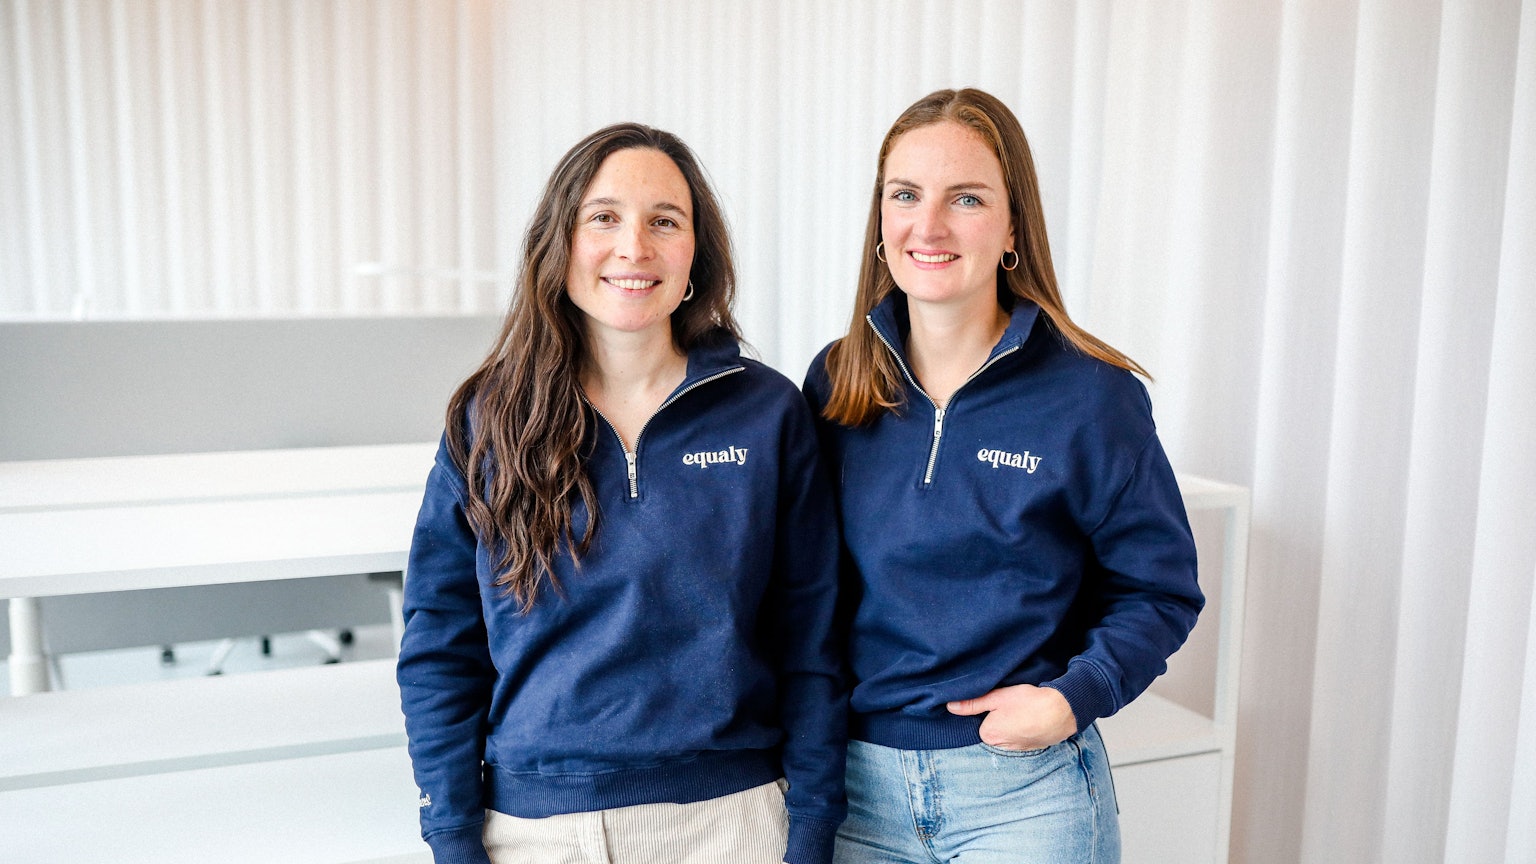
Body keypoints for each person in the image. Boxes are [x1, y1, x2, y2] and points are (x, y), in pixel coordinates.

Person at [398, 122, 845, 864]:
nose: (633, 247)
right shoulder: (490, 418)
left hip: (731, 822)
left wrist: (813, 827)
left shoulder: (766, 413)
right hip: (538, 831)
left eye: (663, 221)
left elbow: (813, 636)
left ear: (696, 251)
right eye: (603, 217)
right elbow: (441, 645)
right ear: (560, 242)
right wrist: (451, 835)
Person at [802, 88, 1205, 863]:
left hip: (1023, 794)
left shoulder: (1093, 395)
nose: (930, 225)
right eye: (906, 195)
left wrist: (1068, 701)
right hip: (854, 791)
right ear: (880, 222)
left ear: (1013, 225)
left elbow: (1161, 589)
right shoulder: (836, 382)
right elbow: (801, 590)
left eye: (968, 198)